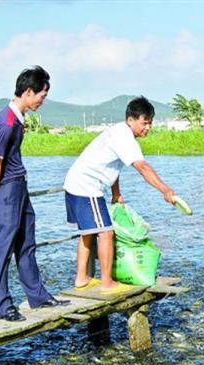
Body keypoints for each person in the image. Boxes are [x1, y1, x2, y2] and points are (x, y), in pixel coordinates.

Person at [0, 66, 69, 322]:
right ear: (28, 92)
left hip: (20, 184)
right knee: (4, 246)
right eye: (41, 95)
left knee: (27, 241)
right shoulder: (7, 122)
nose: (43, 101)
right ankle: (3, 304)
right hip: (8, 187)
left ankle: (38, 296)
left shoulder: (18, 117)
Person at [63, 96, 176, 293]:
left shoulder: (119, 133)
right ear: (130, 120)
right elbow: (142, 167)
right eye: (144, 123)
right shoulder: (124, 137)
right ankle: (107, 283)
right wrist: (165, 190)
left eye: (150, 123)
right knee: (106, 232)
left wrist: (116, 193)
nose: (147, 127)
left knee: (88, 233)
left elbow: (113, 166)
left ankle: (81, 278)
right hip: (86, 186)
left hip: (76, 183)